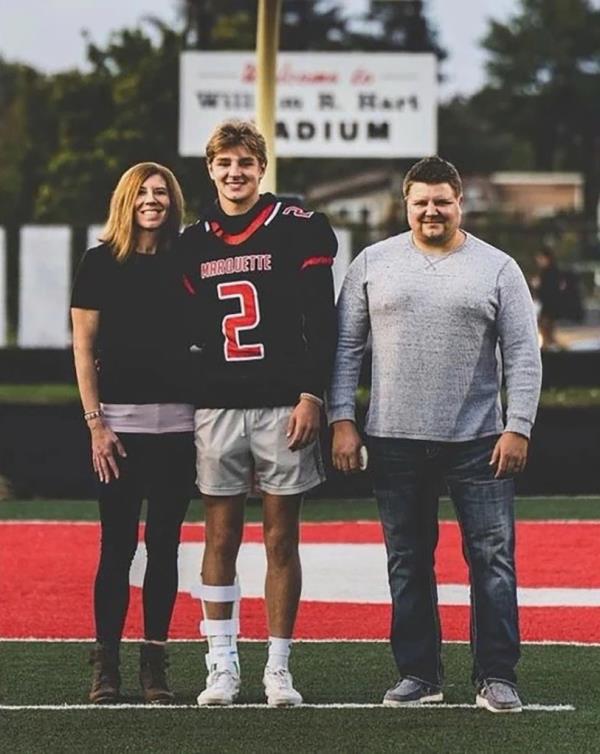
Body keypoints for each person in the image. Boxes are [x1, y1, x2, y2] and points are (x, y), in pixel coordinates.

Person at [329, 156, 542, 713]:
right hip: (394, 439)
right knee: (407, 559)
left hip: (478, 440)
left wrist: (517, 425)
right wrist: (342, 418)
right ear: (405, 205)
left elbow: (523, 353)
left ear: (459, 203)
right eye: (420, 201)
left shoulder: (498, 267)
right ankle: (420, 675)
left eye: (441, 200)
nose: (431, 210)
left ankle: (496, 675)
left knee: (492, 558)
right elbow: (346, 348)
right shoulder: (373, 263)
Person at [179, 120, 337, 707]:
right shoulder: (192, 241)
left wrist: (311, 393)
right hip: (218, 403)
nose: (235, 172)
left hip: (280, 403)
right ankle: (221, 664)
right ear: (211, 169)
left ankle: (278, 665)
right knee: (218, 535)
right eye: (224, 163)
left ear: (261, 167)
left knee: (280, 537)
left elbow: (321, 321)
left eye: (245, 161)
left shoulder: (297, 229)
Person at [71, 162, 195, 704]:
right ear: (127, 199)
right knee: (116, 546)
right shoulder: (99, 262)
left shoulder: (187, 259)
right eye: (143, 192)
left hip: (180, 428)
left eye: (161, 192)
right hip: (118, 429)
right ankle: (106, 667)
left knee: (165, 547)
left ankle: (155, 666)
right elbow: (83, 347)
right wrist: (96, 423)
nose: (153, 200)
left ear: (173, 202)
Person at [531, 248, 563, 350]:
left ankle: (549, 348)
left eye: (540, 258)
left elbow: (548, 290)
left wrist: (537, 285)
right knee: (546, 329)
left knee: (546, 328)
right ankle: (548, 346)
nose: (538, 260)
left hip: (549, 306)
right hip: (549, 306)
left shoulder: (549, 273)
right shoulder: (549, 272)